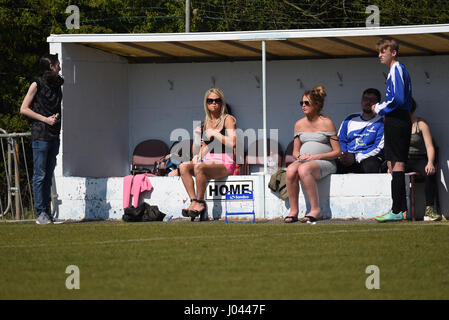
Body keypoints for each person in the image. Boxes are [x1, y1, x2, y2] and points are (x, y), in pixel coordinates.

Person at [284, 85, 341, 223]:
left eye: (306, 103)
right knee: (291, 170)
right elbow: (296, 151)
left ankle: (316, 210)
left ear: (317, 104)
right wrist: (299, 157)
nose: (303, 106)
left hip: (325, 162)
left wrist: (316, 157)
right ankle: (293, 210)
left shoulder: (327, 123)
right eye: (301, 103)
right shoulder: (298, 124)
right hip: (305, 161)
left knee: (304, 169)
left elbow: (337, 152)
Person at [178, 88, 236, 221]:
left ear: (222, 103)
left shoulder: (228, 119)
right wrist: (197, 137)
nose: (214, 103)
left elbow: (233, 142)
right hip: (207, 161)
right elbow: (198, 151)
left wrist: (215, 133)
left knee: (199, 167)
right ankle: (193, 201)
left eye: (217, 100)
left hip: (224, 162)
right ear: (206, 103)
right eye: (210, 101)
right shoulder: (205, 123)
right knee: (184, 167)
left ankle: (200, 202)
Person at [371, 38, 413, 222]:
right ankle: (399, 209)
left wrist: (379, 107)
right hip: (397, 119)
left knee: (397, 164)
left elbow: (398, 98)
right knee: (394, 164)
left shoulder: (396, 68)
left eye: (383, 51)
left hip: (397, 119)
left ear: (393, 53)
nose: (379, 55)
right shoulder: (396, 69)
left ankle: (398, 209)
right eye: (378, 52)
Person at [20, 53, 64, 225]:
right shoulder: (35, 83)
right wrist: (45, 119)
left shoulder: (56, 85)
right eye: (57, 64)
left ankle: (47, 213)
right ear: (51, 66)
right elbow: (23, 108)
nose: (59, 67)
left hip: (54, 135)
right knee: (40, 175)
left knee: (48, 175)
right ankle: (41, 214)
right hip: (40, 135)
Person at [406, 99, 442, 221]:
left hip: (419, 158)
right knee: (393, 173)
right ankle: (399, 210)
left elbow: (430, 146)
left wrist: (430, 162)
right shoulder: (397, 124)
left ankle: (429, 210)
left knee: (429, 173)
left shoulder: (420, 124)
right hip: (403, 160)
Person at [337, 88, 384, 173]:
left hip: (367, 158)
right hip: (348, 157)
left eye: (372, 100)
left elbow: (379, 147)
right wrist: (344, 155)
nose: (368, 102)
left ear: (378, 103)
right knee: (334, 164)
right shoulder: (350, 119)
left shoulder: (381, 122)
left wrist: (356, 157)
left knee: (371, 164)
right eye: (365, 99)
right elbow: (340, 139)